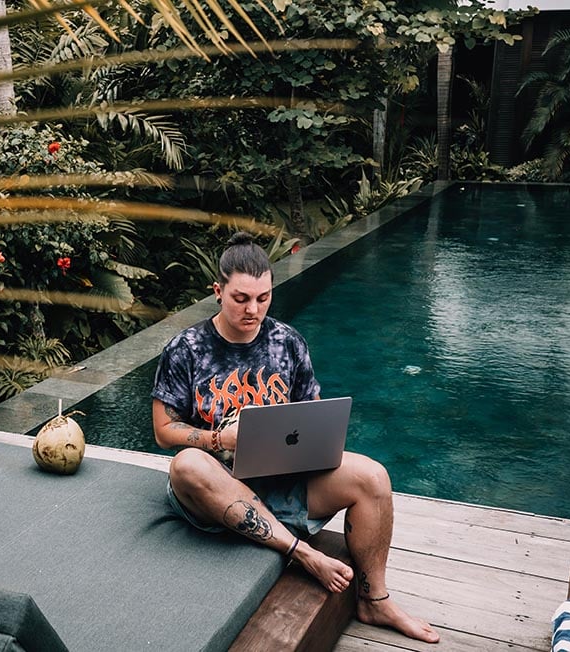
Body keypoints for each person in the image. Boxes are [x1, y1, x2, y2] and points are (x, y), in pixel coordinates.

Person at [151, 232, 439, 644]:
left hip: (281, 480)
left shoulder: (287, 342)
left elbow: (311, 415)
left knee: (374, 477)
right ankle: (302, 552)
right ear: (217, 291)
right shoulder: (187, 348)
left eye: (263, 298)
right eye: (241, 298)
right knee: (185, 465)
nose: (253, 310)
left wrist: (309, 443)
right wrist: (220, 439)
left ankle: (374, 599)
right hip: (217, 489)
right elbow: (164, 431)